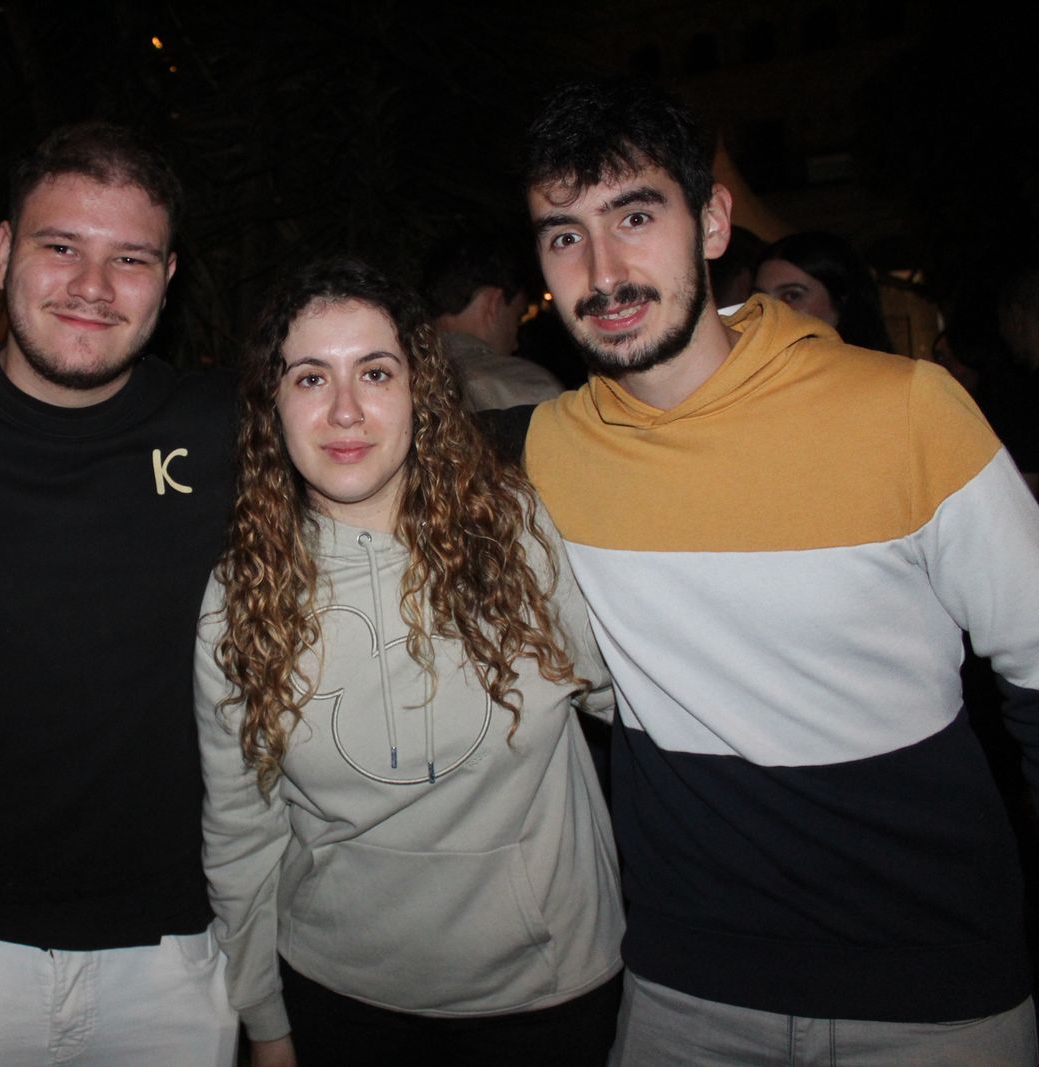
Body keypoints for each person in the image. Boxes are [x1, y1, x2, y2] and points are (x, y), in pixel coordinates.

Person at [521, 78, 1039, 1065]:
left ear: (712, 221)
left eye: (635, 215)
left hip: (933, 987)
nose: (602, 268)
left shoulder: (905, 408)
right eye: (561, 234)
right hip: (684, 986)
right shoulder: (552, 445)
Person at [197, 257, 623, 1067]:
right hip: (339, 1000)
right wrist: (266, 1022)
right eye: (311, 377)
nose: (347, 410)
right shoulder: (241, 594)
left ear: (419, 391)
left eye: (376, 372)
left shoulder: (519, 534)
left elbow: (633, 700)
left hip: (549, 992)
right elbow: (241, 832)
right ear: (272, 406)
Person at [419, 230, 565, 411]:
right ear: (494, 304)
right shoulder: (530, 388)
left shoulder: (401, 379)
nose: (515, 344)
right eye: (517, 317)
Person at [753, 231, 894, 352]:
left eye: (791, 296)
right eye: (759, 297)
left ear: (841, 300)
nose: (768, 309)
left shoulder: (883, 377)